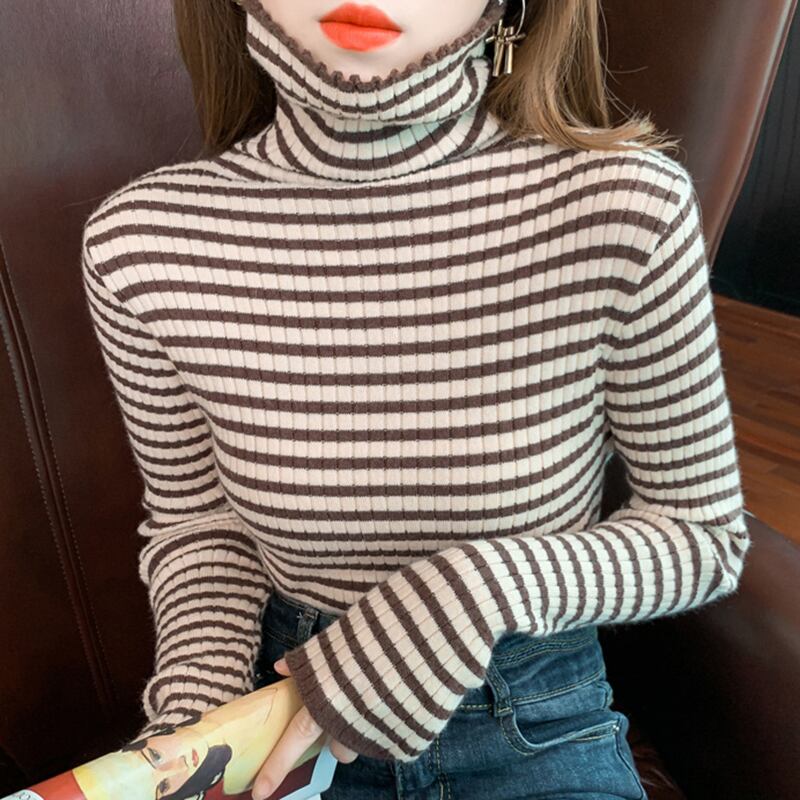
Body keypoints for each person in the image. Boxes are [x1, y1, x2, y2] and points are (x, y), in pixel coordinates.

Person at [80, 0, 751, 797]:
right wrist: (198, 721)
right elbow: (201, 528)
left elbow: (703, 534)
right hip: (285, 721)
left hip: (530, 717)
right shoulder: (142, 243)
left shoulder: (625, 208)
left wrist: (476, 591)